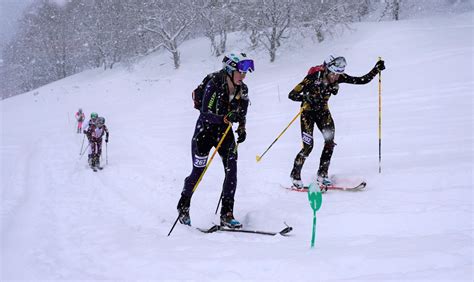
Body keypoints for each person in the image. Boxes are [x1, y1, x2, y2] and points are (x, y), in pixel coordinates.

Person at [176, 52, 255, 228]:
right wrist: (226, 117)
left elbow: (242, 112)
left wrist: (242, 128)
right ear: (229, 70)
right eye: (240, 71)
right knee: (198, 171)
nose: (243, 76)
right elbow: (206, 113)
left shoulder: (243, 89)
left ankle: (227, 213)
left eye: (245, 72)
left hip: (225, 132)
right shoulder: (214, 84)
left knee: (231, 170)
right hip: (204, 132)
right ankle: (183, 206)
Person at [288, 55, 385, 189]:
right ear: (327, 70)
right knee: (308, 147)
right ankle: (295, 175)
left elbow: (361, 80)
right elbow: (292, 95)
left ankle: (322, 174)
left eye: (339, 74)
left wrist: (376, 70)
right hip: (307, 114)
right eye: (334, 73)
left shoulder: (340, 77)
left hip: (323, 113)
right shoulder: (314, 77)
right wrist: (307, 97)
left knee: (329, 143)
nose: (336, 77)